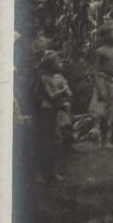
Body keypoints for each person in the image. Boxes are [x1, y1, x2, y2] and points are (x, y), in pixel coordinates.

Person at [36, 50, 71, 183]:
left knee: (57, 142)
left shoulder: (58, 77)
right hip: (47, 112)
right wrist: (63, 90)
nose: (60, 63)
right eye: (57, 62)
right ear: (50, 64)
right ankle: (41, 173)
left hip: (57, 110)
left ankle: (52, 172)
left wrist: (64, 92)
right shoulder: (44, 77)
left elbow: (68, 94)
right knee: (46, 143)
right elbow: (51, 96)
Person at [90, 21, 113, 147]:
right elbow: (96, 70)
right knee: (104, 114)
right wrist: (100, 88)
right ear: (105, 36)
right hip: (105, 82)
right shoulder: (100, 51)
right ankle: (104, 139)